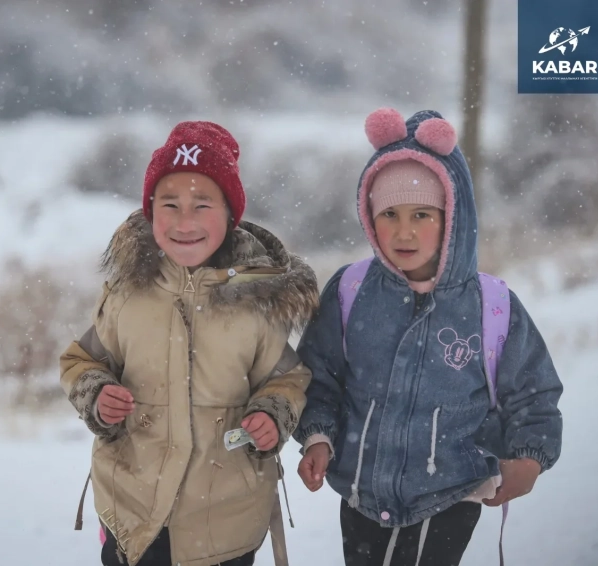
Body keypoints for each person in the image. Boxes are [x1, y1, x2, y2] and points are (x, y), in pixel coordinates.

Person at [293, 108, 563, 566]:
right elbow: (318, 377)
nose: (404, 231)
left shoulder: (491, 306)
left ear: (452, 217)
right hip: (360, 490)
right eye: (390, 215)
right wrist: (318, 435)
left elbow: (533, 394)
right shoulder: (351, 291)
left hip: (449, 493)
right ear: (368, 217)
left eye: (422, 214)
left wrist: (530, 455)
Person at [60, 121, 318, 566]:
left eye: (202, 206)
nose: (184, 222)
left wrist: (271, 415)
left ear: (229, 215)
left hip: (227, 519)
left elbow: (288, 380)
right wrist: (98, 395)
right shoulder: (127, 294)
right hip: (133, 509)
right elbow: (81, 361)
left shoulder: (254, 301)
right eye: (170, 205)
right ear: (150, 211)